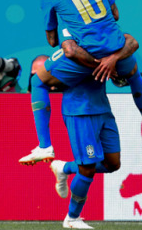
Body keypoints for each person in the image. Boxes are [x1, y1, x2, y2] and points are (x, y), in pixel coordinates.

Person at [19, 0, 142, 165]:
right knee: (135, 75)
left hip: (88, 55)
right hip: (116, 48)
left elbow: (52, 41)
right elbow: (116, 14)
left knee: (37, 82)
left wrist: (68, 28)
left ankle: (44, 146)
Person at [50, 77, 122, 229]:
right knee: (87, 169)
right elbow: (42, 81)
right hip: (80, 111)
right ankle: (72, 217)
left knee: (112, 164)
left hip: (103, 109)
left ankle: (64, 168)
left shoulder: (106, 53)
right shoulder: (69, 55)